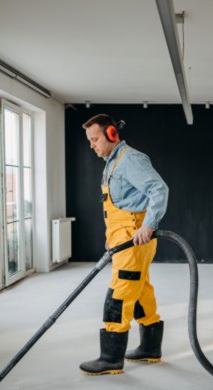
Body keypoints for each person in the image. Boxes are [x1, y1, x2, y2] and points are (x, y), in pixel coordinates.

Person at [79, 114, 169, 375]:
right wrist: (112, 234)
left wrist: (148, 225)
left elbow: (159, 189)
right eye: (89, 141)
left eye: (95, 139)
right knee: (140, 289)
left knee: (118, 294)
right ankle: (150, 348)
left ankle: (110, 358)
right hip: (123, 237)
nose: (92, 145)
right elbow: (120, 205)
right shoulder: (112, 162)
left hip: (134, 238)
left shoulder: (129, 159)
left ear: (111, 134)